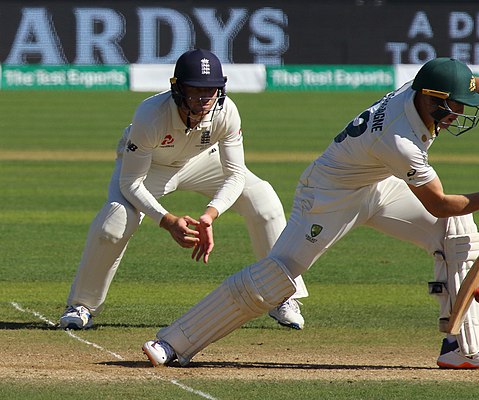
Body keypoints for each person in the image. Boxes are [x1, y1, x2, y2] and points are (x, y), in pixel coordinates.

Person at [142, 58, 479, 369]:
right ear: (429, 99)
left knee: (457, 230)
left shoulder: (424, 88)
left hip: (379, 183)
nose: (458, 115)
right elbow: (438, 202)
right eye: (452, 107)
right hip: (328, 196)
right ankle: (174, 342)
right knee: (278, 277)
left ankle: (463, 348)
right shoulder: (400, 140)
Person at [58, 49, 308, 331]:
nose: (204, 100)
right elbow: (130, 183)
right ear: (177, 89)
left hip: (202, 161)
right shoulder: (151, 114)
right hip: (150, 168)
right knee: (114, 223)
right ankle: (82, 305)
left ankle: (282, 297)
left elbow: (236, 174)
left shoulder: (226, 111)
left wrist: (209, 215)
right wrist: (167, 221)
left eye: (210, 91)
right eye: (195, 90)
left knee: (263, 200)